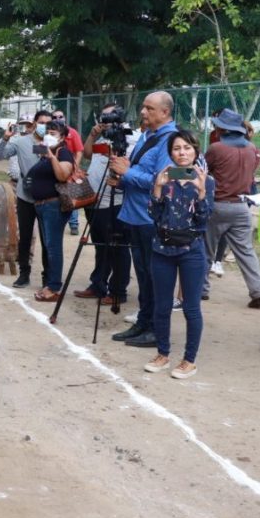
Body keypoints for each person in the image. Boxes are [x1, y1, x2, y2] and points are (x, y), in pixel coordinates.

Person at [109, 92, 179, 347]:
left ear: (165, 112)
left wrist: (127, 173)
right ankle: (143, 321)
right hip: (134, 214)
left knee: (156, 276)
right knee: (142, 273)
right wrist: (122, 177)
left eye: (150, 108)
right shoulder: (148, 136)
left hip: (152, 218)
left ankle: (157, 329)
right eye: (143, 107)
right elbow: (137, 170)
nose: (143, 112)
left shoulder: (171, 140)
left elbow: (165, 181)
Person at [142, 130, 213, 379]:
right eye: (176, 148)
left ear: (195, 151)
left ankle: (189, 360)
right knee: (161, 306)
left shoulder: (206, 180)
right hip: (162, 250)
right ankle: (163, 353)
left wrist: (202, 193)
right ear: (170, 153)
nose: (182, 153)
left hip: (191, 251)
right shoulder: (163, 177)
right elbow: (153, 215)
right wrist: (159, 189)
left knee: (190, 308)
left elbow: (204, 222)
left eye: (187, 148)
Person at [201, 108, 260, 308]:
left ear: (222, 128)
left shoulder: (216, 148)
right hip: (242, 207)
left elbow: (204, 170)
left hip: (218, 205)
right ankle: (259, 291)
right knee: (246, 251)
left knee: (206, 249)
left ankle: (201, 289)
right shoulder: (253, 149)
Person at [73, 106, 135, 305]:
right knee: (101, 247)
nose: (105, 118)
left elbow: (129, 167)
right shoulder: (103, 135)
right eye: (103, 115)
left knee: (118, 248)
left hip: (115, 202)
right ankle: (98, 285)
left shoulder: (131, 138)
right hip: (94, 201)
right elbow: (89, 154)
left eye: (110, 115)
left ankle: (118, 291)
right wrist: (92, 135)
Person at [0, 111, 53, 287]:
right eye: (41, 122)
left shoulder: (54, 142)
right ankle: (24, 273)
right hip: (26, 195)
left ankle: (47, 276)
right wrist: (5, 138)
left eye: (48, 123)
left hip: (47, 197)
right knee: (25, 237)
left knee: (47, 239)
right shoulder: (20, 142)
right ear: (34, 123)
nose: (44, 126)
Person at [24, 121, 74, 301]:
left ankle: (54, 287)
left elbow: (63, 175)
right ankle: (50, 283)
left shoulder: (63, 152)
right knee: (48, 245)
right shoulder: (45, 154)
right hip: (42, 205)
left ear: (61, 136)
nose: (48, 135)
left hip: (54, 206)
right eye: (48, 131)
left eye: (53, 132)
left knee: (53, 247)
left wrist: (52, 156)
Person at [52, 110, 84, 235]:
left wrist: (75, 166)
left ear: (64, 117)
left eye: (60, 116)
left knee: (71, 196)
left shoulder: (72, 132)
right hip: (55, 169)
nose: (57, 118)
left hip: (69, 169)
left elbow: (80, 151)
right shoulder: (49, 134)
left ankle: (74, 224)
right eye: (54, 117)